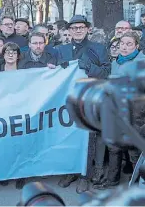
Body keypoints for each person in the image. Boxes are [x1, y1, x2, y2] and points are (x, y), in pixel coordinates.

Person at [55, 15, 111, 193]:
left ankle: (86, 175)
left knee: (89, 137)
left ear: (88, 29)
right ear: (69, 31)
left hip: (90, 100)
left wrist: (88, 67)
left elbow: (106, 72)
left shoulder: (98, 49)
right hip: (67, 101)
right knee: (69, 136)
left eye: (81, 27)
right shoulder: (60, 50)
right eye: (74, 27)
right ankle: (70, 171)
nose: (78, 30)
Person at [94, 32, 145, 190]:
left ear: (137, 46)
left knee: (134, 150)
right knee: (114, 146)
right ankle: (112, 180)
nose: (124, 47)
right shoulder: (115, 62)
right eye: (122, 43)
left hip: (136, 113)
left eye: (129, 44)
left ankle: (137, 184)